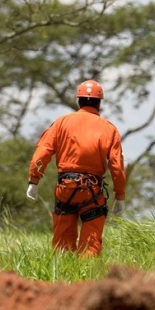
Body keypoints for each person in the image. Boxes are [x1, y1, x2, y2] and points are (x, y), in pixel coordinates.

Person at [26, 79, 126, 257]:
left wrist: (34, 180)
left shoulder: (61, 123)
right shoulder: (109, 129)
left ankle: (61, 279)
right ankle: (86, 280)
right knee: (91, 246)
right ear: (99, 102)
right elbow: (116, 166)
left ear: (78, 100)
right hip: (92, 191)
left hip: (65, 188)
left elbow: (41, 154)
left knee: (61, 246)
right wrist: (120, 196)